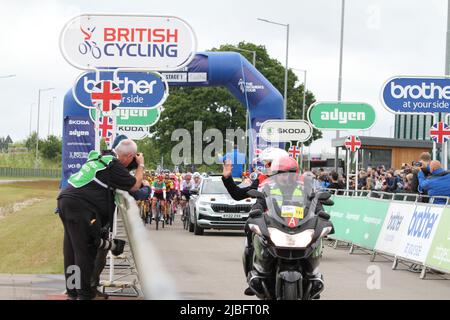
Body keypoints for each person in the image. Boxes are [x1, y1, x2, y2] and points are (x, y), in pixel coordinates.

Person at [57, 139, 144, 300]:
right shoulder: (113, 164)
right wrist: (140, 165)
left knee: (71, 250)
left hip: (65, 199)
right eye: (132, 160)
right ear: (130, 155)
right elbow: (135, 185)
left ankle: (72, 292)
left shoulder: (99, 157)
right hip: (82, 206)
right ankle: (84, 295)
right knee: (85, 251)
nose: (130, 166)